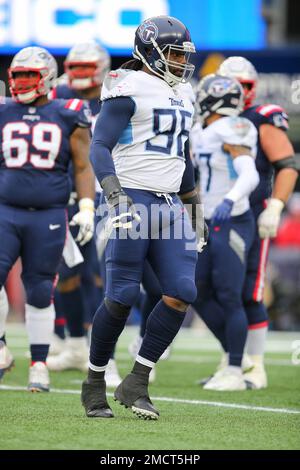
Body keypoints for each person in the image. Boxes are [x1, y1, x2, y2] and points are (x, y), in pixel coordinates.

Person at [81, 15, 207, 420]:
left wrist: (195, 205)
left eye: (182, 55)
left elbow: (180, 155)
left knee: (182, 290)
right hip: (131, 197)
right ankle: (95, 380)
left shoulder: (184, 91)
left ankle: (137, 379)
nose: (179, 62)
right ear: (150, 51)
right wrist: (113, 194)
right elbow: (99, 146)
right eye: (173, 53)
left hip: (170, 203)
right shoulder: (127, 83)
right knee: (121, 297)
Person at [0, 46, 94, 391]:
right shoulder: (3, 111)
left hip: (50, 214)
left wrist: (86, 206)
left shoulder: (69, 112)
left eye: (30, 76)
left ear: (48, 78)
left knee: (40, 289)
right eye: (18, 75)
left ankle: (38, 363)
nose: (22, 82)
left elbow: (83, 165)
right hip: (5, 210)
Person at [204, 56, 298, 388]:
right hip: (211, 214)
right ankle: (234, 356)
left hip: (251, 214)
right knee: (205, 288)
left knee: (247, 291)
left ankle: (254, 366)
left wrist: (274, 206)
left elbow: (287, 164)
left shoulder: (260, 117)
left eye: (244, 86)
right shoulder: (208, 118)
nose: (238, 93)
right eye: (232, 85)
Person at [46, 41, 121, 387]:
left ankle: (107, 356)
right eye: (73, 67)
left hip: (108, 193)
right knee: (69, 271)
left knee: (103, 272)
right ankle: (76, 345)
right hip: (68, 194)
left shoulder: (118, 95)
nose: (77, 74)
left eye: (84, 66)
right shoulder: (57, 95)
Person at [191, 74, 259, 390]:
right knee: (196, 290)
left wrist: (230, 200)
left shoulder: (233, 127)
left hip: (231, 219)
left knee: (230, 295)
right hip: (203, 218)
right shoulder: (202, 131)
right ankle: (236, 355)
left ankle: (234, 369)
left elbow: (249, 173)